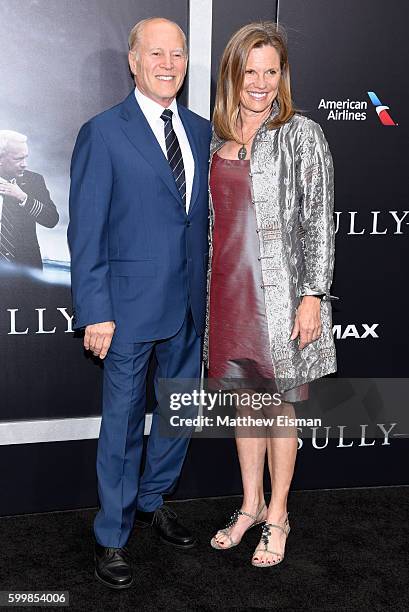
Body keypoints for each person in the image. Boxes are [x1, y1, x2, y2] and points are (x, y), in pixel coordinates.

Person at [68, 17, 211, 589]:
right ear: (133, 60)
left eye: (177, 54)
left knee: (180, 414)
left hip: (187, 310)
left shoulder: (200, 131)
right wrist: (95, 309)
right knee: (122, 427)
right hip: (125, 312)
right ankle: (111, 536)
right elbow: (86, 231)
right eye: (157, 53)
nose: (168, 64)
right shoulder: (102, 132)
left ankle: (153, 502)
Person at [204, 22, 336, 567]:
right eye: (249, 71)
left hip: (281, 296)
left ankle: (278, 513)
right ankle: (250, 504)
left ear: (283, 77)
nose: (259, 83)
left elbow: (319, 221)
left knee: (279, 407)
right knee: (246, 405)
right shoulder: (215, 138)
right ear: (233, 74)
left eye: (270, 71)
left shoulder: (300, 132)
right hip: (228, 291)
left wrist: (314, 294)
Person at [0, 130, 59, 269]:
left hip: (27, 273)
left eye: (25, 158)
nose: (24, 164)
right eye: (18, 159)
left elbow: (52, 220)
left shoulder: (34, 181)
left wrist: (23, 197)